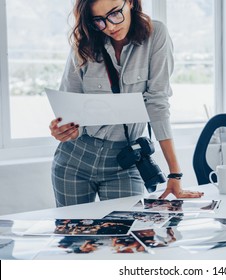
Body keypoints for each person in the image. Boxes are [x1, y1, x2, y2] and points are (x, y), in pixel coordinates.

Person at [49, 0, 204, 207]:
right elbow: (72, 107)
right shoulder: (83, 43)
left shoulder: (156, 34)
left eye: (114, 14)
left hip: (125, 160)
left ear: (130, 2)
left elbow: (157, 103)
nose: (110, 26)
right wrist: (66, 130)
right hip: (75, 159)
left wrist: (175, 174)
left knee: (127, 235)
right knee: (74, 237)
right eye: (99, 20)